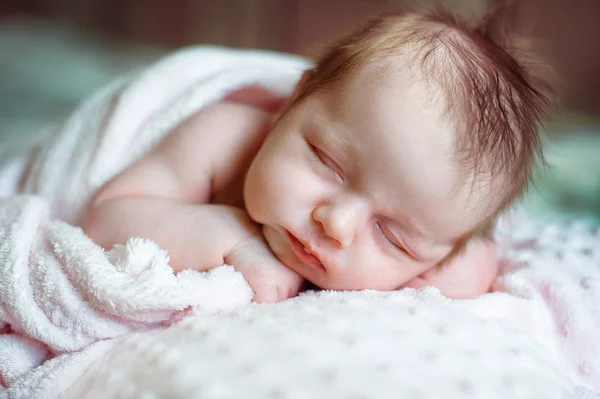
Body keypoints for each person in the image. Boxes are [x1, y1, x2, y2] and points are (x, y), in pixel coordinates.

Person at [81, 7, 552, 303]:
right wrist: (230, 238)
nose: (337, 224)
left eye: (394, 237)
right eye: (327, 162)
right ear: (293, 101)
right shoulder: (222, 137)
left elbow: (468, 267)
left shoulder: (443, 231)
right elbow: (104, 218)